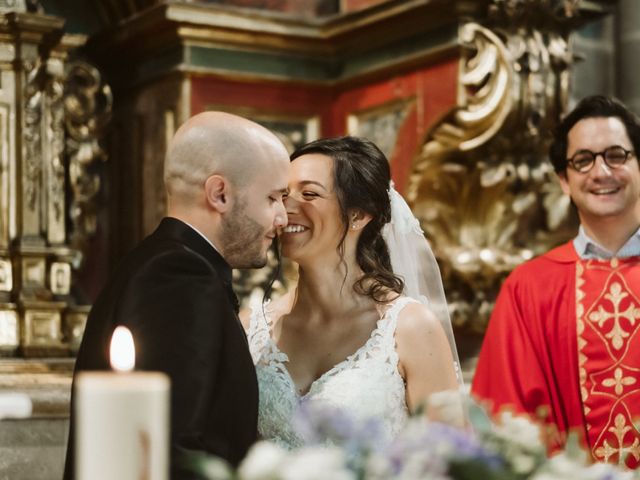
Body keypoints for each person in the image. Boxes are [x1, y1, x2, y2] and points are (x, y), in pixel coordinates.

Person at [63, 111, 290, 479]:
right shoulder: (179, 277)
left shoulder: (159, 261)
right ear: (220, 194)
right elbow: (172, 449)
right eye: (273, 197)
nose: (281, 218)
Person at [242, 136, 464, 449]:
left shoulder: (410, 328)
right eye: (281, 194)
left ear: (358, 215)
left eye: (309, 194)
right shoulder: (250, 328)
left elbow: (452, 459)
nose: (285, 208)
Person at [472, 95, 640, 468]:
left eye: (617, 155)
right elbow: (507, 416)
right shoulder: (528, 288)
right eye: (583, 160)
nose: (601, 172)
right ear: (564, 181)